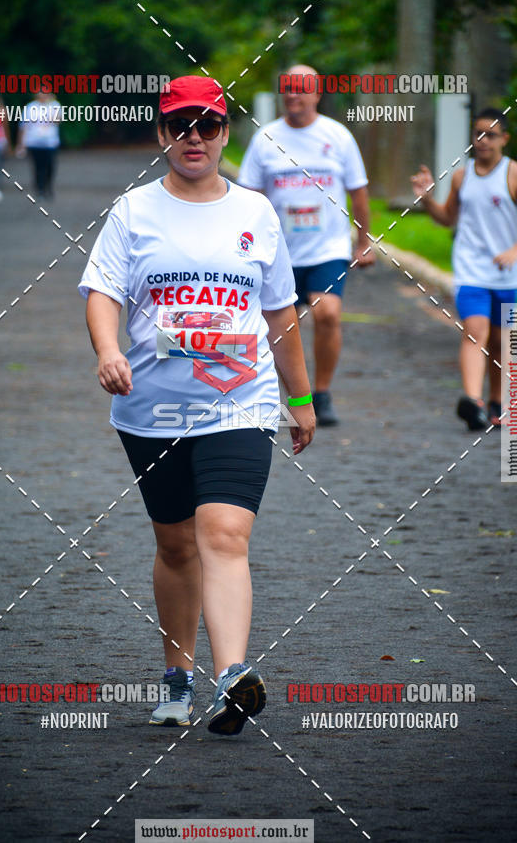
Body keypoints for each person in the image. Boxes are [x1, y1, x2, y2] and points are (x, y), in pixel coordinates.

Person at [79, 75, 315, 735]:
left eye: (207, 126)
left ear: (224, 134)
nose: (194, 138)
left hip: (240, 402)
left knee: (224, 536)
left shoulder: (256, 213)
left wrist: (301, 397)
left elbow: (280, 313)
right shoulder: (133, 211)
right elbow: (102, 291)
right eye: (180, 126)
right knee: (177, 545)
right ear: (161, 135)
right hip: (150, 408)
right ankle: (178, 676)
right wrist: (106, 350)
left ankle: (233, 676)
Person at [238, 63, 375, 426]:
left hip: (327, 247)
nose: (293, 95)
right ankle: (287, 395)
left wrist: (363, 241)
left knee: (327, 311)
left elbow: (358, 192)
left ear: (317, 94)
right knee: (275, 326)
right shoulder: (265, 138)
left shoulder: (338, 136)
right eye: (287, 88)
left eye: (301, 88)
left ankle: (323, 392)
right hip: (278, 250)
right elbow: (248, 196)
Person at [411, 108, 517, 430]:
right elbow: (448, 218)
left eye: (490, 134)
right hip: (470, 270)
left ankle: (497, 403)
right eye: (477, 134)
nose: (482, 140)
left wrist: (516, 249)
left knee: (502, 342)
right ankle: (473, 402)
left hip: (506, 275)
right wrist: (427, 200)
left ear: (504, 138)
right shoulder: (462, 176)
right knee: (475, 331)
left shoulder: (515, 174)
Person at [16, 91, 60, 198]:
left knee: (50, 166)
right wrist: (21, 143)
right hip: (34, 142)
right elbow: (23, 126)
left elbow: (57, 120)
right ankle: (40, 189)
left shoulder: (54, 105)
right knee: (38, 167)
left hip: (50, 142)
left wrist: (50, 104)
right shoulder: (30, 107)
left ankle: (48, 186)